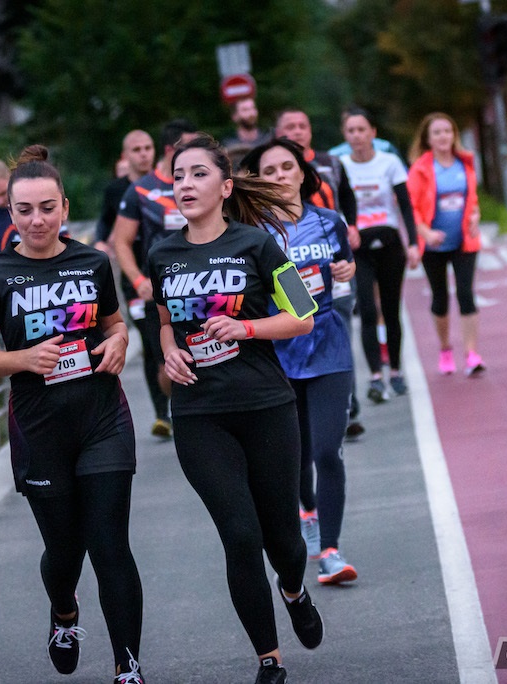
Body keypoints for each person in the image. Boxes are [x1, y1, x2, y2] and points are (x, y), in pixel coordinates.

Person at [148, 133, 323, 684]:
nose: (185, 184)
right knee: (241, 535)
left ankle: (293, 590)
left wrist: (245, 328)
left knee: (284, 540)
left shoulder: (258, 245)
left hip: (266, 406)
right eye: (178, 176)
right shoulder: (162, 254)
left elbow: (303, 317)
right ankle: (269, 659)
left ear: (225, 188)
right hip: (200, 415)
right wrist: (170, 351)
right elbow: (164, 323)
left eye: (198, 174)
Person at [0, 145, 145, 684]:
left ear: (65, 208)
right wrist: (24, 358)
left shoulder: (92, 262)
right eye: (25, 210)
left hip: (102, 419)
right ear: (10, 213)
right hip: (40, 429)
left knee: (111, 546)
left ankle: (128, 668)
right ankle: (64, 611)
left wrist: (120, 343)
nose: (37, 220)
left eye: (48, 208)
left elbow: (115, 324)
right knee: (65, 551)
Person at [240, 137, 359, 585]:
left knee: (327, 451)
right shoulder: (251, 234)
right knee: (295, 456)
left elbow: (345, 269)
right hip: (278, 353)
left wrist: (347, 271)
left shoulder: (330, 222)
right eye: (269, 171)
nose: (280, 177)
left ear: (303, 173)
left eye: (287, 167)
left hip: (328, 345)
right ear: (257, 180)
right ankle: (306, 511)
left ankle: (331, 551)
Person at [274, 108, 365, 438]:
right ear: (278, 133)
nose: (298, 131)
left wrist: (351, 231)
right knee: (299, 332)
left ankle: (346, 408)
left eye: (303, 125)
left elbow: (348, 199)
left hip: (330, 268)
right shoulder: (271, 172)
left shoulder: (331, 163)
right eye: (290, 126)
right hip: (291, 281)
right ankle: (302, 410)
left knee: (338, 332)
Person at [112, 119, 198, 438]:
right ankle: (170, 411)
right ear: (171, 149)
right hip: (157, 290)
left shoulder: (201, 183)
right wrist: (138, 281)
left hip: (200, 285)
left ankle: (195, 411)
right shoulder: (141, 190)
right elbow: (120, 241)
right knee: (162, 360)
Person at [338, 108, 420, 401]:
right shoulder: (341, 166)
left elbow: (406, 205)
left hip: (389, 243)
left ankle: (396, 372)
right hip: (358, 247)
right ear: (345, 135)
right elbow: (337, 206)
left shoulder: (389, 162)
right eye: (351, 131)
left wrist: (413, 243)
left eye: (362, 130)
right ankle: (375, 377)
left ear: (373, 132)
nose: (357, 136)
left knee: (390, 308)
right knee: (367, 311)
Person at [407, 113, 486, 376]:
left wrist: (475, 216)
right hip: (433, 246)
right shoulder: (420, 169)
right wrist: (426, 233)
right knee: (440, 298)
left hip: (464, 241)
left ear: (454, 135)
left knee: (466, 293)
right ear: (428, 139)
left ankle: (472, 354)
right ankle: (445, 349)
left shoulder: (465, 163)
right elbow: (411, 208)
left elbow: (472, 200)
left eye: (447, 131)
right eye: (437, 132)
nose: (443, 137)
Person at [94, 130, 156, 255]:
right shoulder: (115, 189)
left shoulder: (168, 185)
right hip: (128, 256)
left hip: (162, 256)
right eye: (136, 150)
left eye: (148, 148)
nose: (143, 154)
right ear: (125, 156)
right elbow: (105, 220)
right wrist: (100, 241)